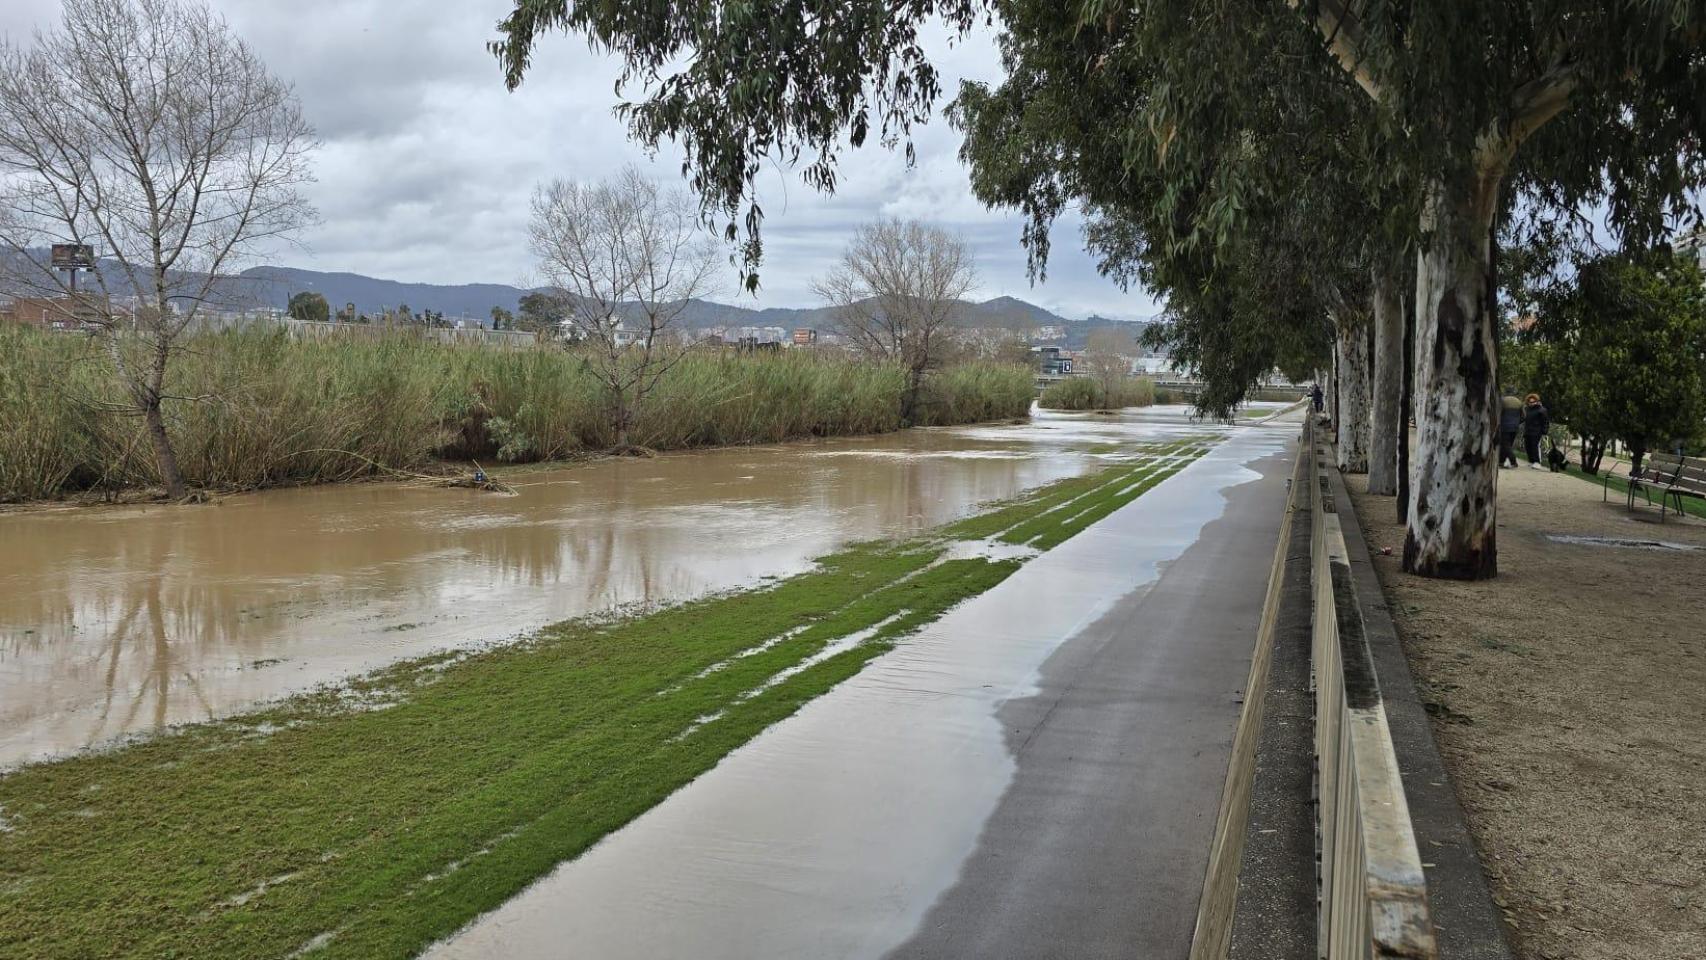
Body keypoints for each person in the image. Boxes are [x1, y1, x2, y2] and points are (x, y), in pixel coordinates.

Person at [1522, 393, 1550, 470]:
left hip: (1537, 431)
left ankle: (1537, 462)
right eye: (1530, 402)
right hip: (1528, 430)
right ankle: (1531, 461)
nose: (1531, 403)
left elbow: (1546, 421)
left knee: (1534, 446)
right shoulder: (1527, 409)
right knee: (1528, 446)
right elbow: (1524, 419)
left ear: (1537, 401)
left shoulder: (1542, 410)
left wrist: (1545, 431)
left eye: (1533, 402)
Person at [1497, 393, 1522, 468]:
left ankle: (1513, 461)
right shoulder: (1519, 402)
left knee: (1505, 445)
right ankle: (1501, 461)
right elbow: (1523, 416)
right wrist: (1517, 422)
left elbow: (1498, 413)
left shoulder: (1502, 401)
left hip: (1504, 427)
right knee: (1507, 445)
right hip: (1515, 428)